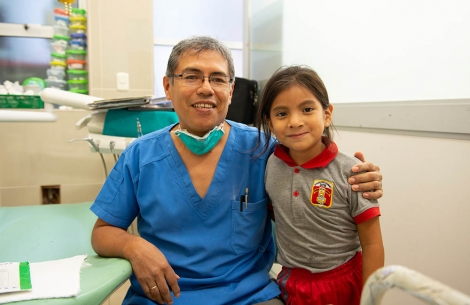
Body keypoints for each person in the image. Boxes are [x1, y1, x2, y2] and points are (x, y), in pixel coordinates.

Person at [90, 36, 383, 305]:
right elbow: (103, 232)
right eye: (191, 76)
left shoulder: (264, 150)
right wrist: (134, 247)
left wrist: (361, 175)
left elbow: (315, 156)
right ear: (168, 86)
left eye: (217, 79)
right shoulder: (140, 156)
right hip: (164, 298)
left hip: (249, 296)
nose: (205, 87)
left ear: (230, 91)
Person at [255, 65, 385, 305]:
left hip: (342, 282)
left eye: (307, 109)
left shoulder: (353, 171)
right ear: (269, 122)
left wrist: (370, 297)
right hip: (291, 281)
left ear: (327, 114)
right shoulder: (270, 164)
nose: (295, 122)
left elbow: (372, 243)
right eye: (282, 114)